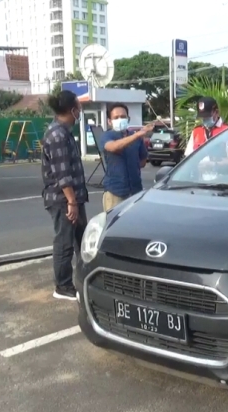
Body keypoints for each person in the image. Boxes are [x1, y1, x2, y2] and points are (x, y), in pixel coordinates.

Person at [42, 90, 88, 301]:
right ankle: (62, 286)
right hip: (64, 201)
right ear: (72, 110)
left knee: (83, 241)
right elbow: (62, 174)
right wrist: (71, 202)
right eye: (78, 107)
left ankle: (84, 280)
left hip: (74, 199)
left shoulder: (63, 131)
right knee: (65, 243)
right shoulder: (57, 135)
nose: (79, 110)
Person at [98, 103, 154, 211]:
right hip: (115, 192)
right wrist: (137, 135)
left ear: (128, 119)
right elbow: (113, 147)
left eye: (123, 117)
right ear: (109, 121)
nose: (120, 119)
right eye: (116, 117)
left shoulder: (136, 137)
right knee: (114, 226)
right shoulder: (107, 136)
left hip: (135, 191)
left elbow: (143, 161)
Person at [183, 97, 228, 178]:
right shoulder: (197, 131)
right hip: (197, 183)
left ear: (216, 112)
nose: (204, 119)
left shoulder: (227, 132)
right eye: (202, 117)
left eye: (207, 116)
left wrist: (214, 165)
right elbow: (187, 159)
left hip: (221, 182)